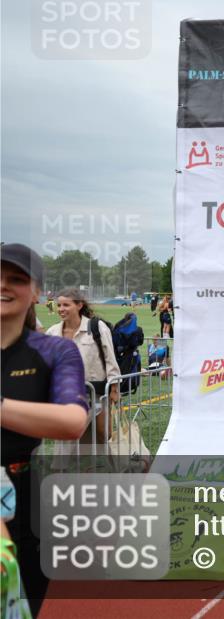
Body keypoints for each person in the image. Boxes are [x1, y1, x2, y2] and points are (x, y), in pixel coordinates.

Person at [1, 244, 88, 615]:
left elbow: (72, 420)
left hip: (25, 498)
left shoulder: (54, 352)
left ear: (37, 292)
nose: (4, 286)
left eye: (17, 279)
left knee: (22, 605)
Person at [47, 288, 121, 443]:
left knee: (103, 434)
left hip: (98, 394)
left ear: (79, 305)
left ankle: (98, 466)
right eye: (59, 305)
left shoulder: (97, 328)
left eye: (66, 305)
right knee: (68, 440)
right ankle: (61, 467)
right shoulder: (52, 333)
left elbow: (110, 359)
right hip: (66, 395)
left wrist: (114, 388)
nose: (61, 309)